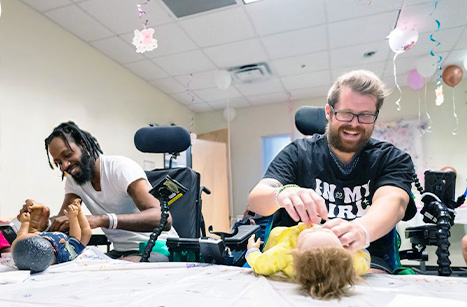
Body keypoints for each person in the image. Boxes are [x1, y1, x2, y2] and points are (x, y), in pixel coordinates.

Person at [248, 70, 415, 273]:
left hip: (365, 261)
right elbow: (256, 199)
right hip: (296, 261)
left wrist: (362, 229)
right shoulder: (297, 153)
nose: (354, 124)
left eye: (365, 115)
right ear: (329, 112)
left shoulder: (391, 158)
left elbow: (394, 202)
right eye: (346, 113)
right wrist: (282, 194)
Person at [20, 121, 176, 260]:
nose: (65, 165)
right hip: (122, 252)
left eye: (68, 155)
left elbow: (163, 218)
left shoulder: (120, 168)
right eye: (58, 162)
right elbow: (65, 220)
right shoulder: (74, 180)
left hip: (158, 249)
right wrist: (41, 223)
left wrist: (102, 219)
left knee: (111, 275)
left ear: (83, 144)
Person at [246, 223, 370, 300]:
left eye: (307, 233)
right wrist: (356, 247)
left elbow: (259, 264)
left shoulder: (284, 253)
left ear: (297, 252)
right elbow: (365, 259)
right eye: (326, 230)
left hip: (281, 235)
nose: (315, 226)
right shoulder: (348, 262)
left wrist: (252, 250)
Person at [12, 199, 91, 272]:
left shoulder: (22, 251)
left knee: (28, 234)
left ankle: (35, 211)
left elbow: (20, 239)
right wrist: (75, 216)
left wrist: (25, 223)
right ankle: (36, 215)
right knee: (85, 233)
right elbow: (77, 236)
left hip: (43, 235)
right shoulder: (64, 254)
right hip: (66, 240)